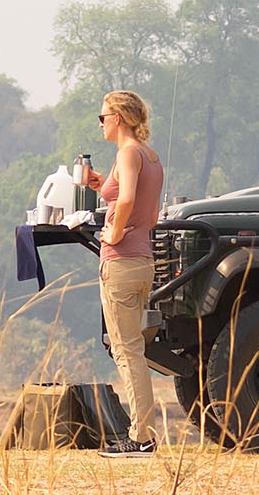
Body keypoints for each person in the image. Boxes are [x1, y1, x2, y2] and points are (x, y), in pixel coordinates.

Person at [81, 89, 165, 457]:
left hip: (121, 262)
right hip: (143, 260)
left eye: (102, 117)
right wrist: (103, 185)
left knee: (127, 351)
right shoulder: (149, 156)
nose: (100, 124)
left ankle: (141, 436)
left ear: (117, 117)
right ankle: (141, 433)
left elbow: (129, 198)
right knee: (134, 349)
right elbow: (142, 204)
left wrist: (113, 233)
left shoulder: (128, 153)